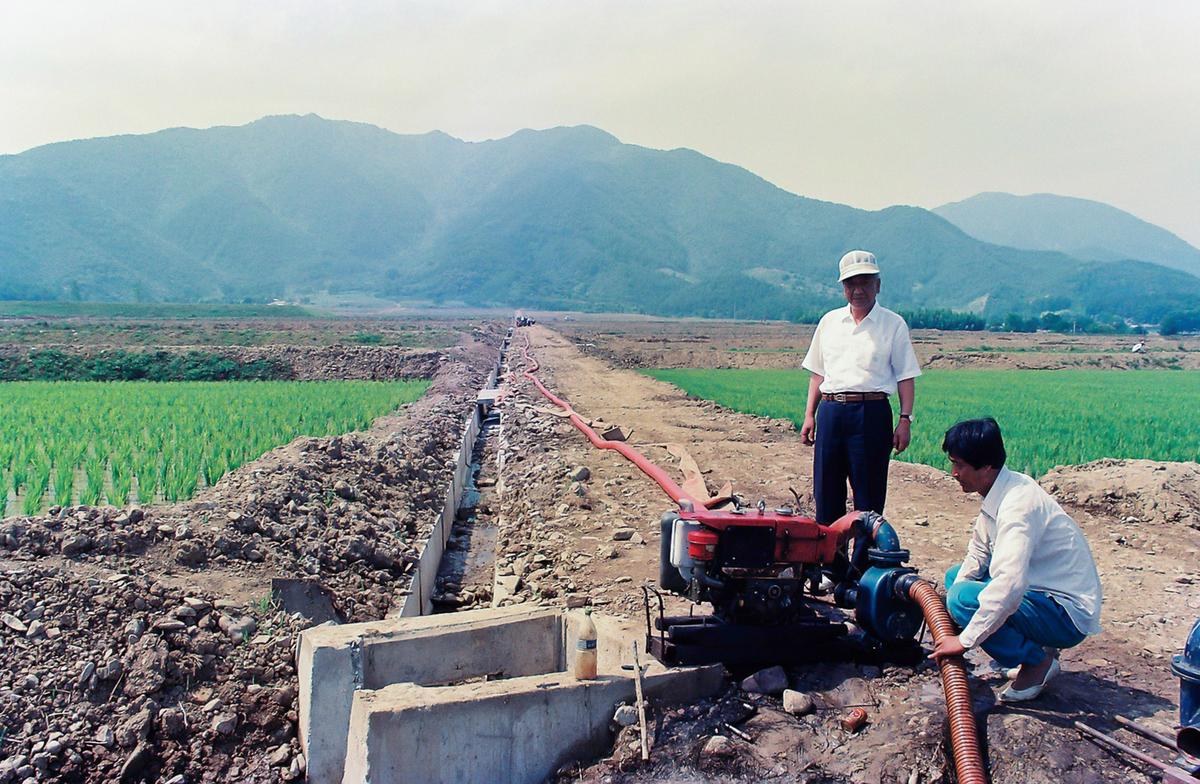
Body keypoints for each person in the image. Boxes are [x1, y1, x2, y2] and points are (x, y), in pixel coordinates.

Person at [930, 417, 1103, 702]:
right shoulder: (1002, 487)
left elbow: (1010, 586)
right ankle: (1032, 648)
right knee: (956, 579)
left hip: (1065, 612)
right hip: (1042, 591)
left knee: (964, 599)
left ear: (986, 466)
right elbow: (978, 552)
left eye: (959, 465)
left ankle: (1037, 663)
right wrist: (954, 609)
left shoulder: (1017, 507)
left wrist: (963, 640)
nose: (953, 473)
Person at [800, 250, 920, 525]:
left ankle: (864, 564)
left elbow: (906, 376)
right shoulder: (829, 322)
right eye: (851, 284)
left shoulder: (893, 324)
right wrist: (810, 414)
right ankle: (831, 564)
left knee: (868, 496)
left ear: (877, 285)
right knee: (826, 491)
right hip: (831, 412)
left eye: (865, 282)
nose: (858, 290)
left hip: (871, 413)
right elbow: (818, 373)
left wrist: (905, 420)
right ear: (843, 288)